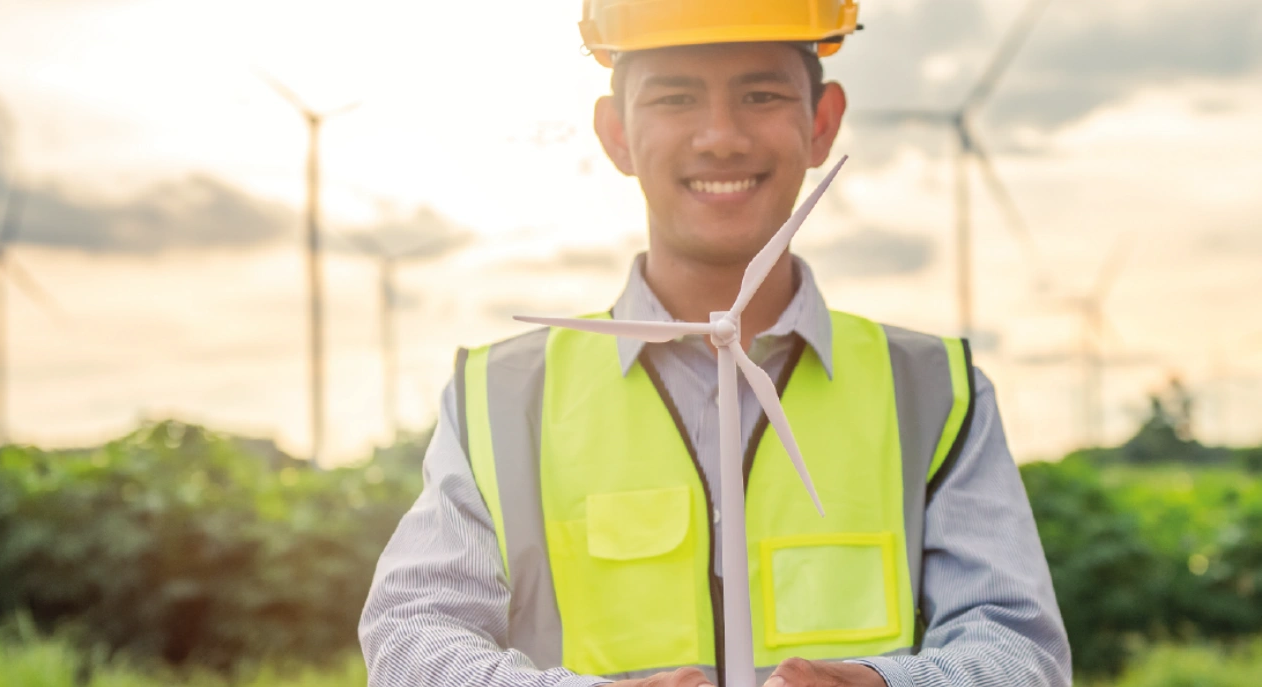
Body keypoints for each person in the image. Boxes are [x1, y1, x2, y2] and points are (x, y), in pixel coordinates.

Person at [359, 2, 1070, 685]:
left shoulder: (932, 390)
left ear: (822, 124)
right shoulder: (505, 396)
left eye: (760, 95)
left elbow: (1019, 650)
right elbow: (410, 636)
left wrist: (882, 684)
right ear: (615, 134)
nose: (720, 135)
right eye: (674, 99)